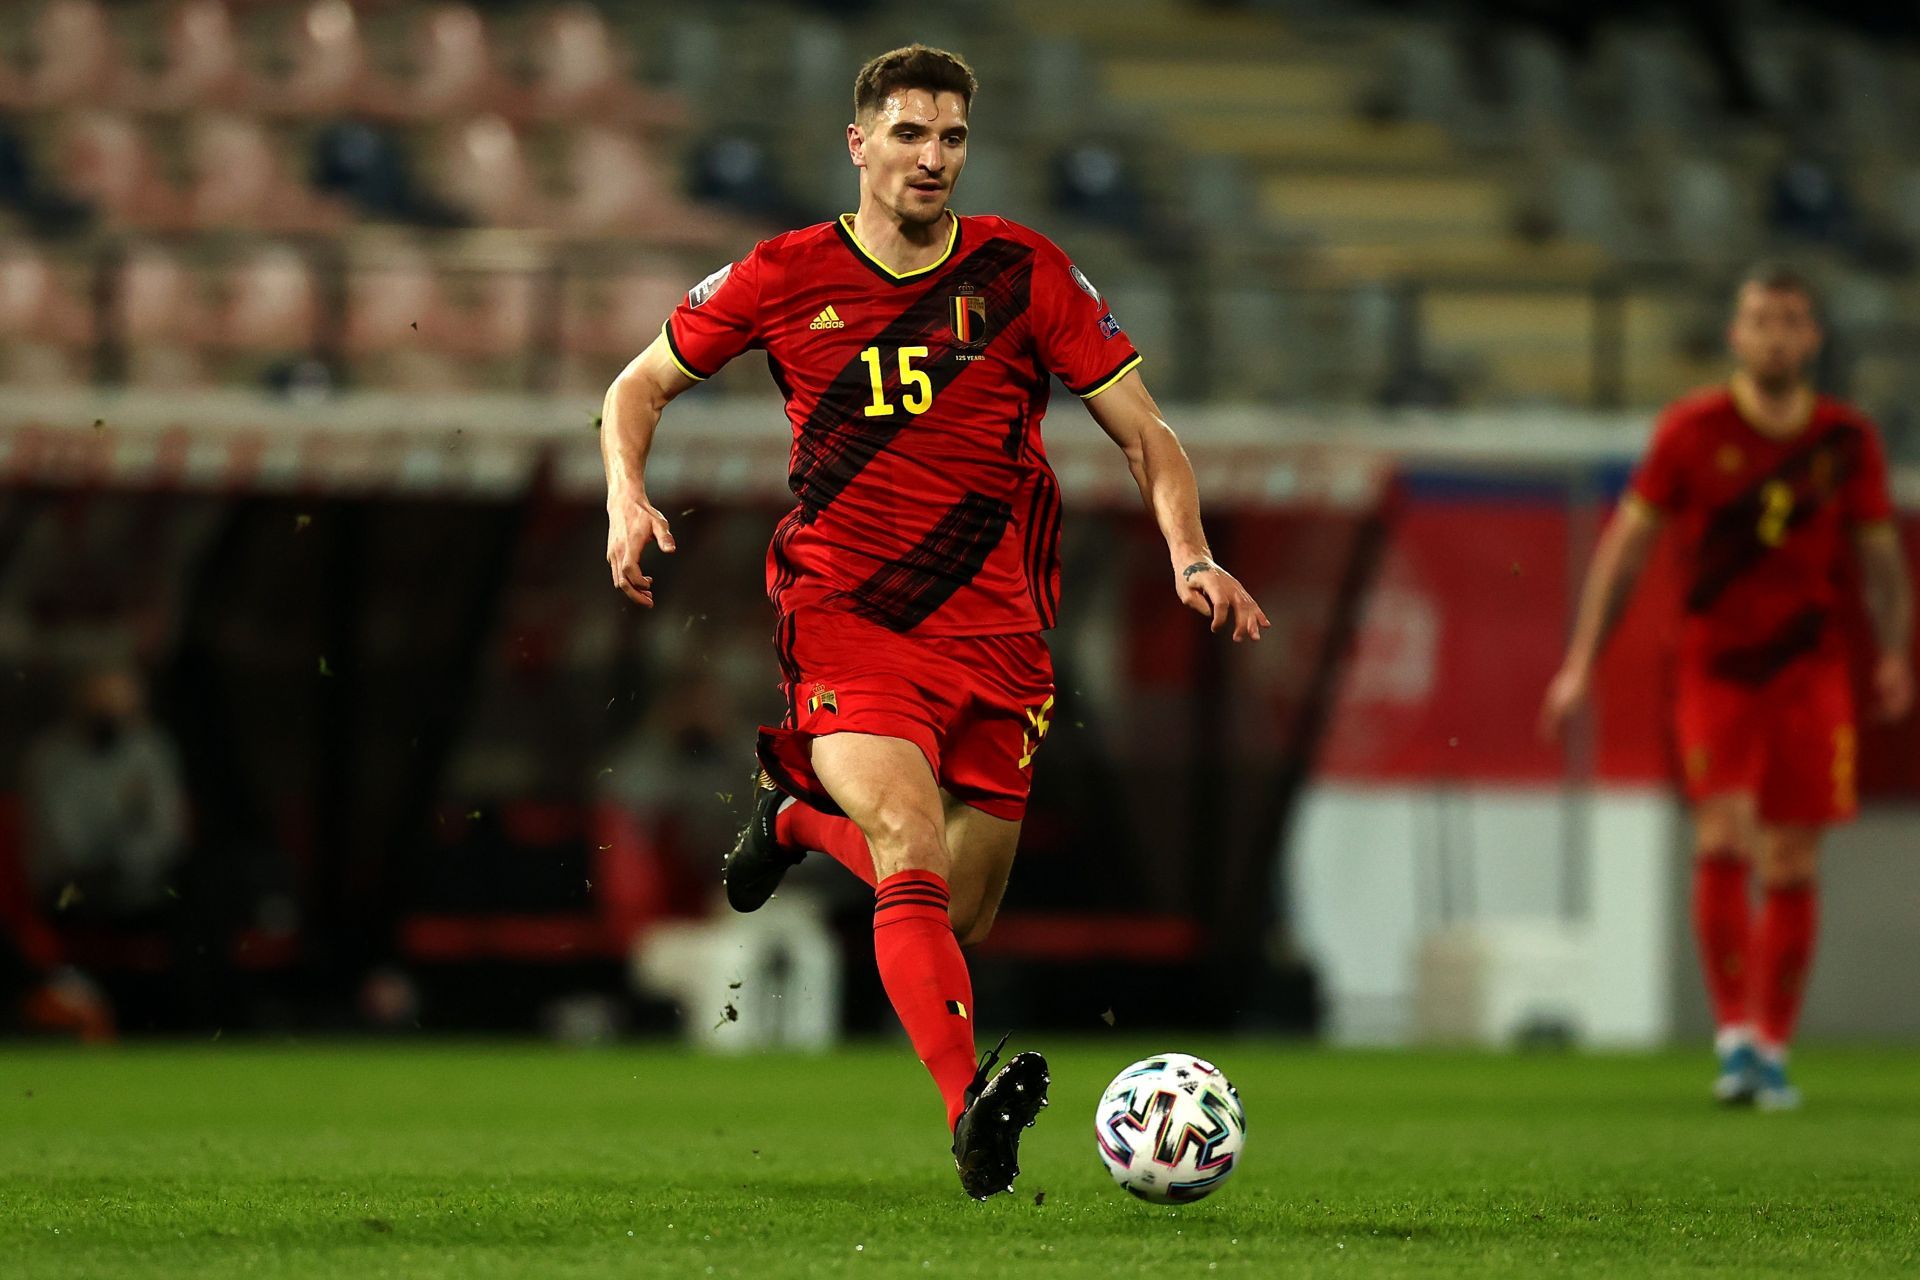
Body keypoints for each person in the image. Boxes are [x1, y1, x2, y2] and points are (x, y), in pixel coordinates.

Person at [600, 45, 1269, 1197]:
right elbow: (635, 386)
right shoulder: (782, 272)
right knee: (907, 842)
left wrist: (1192, 552)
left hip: (997, 632)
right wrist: (626, 491)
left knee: (957, 909)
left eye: (952, 137)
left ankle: (798, 822)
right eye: (910, 134)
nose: (933, 158)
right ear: (858, 143)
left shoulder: (1025, 272)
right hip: (848, 614)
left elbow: (1145, 431)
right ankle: (970, 1111)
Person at [1540, 264, 1913, 1110]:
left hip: (1811, 669)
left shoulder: (1846, 442)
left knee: (1790, 853)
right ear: (1736, 336)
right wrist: (1580, 662)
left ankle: (1773, 1046)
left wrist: (1894, 652)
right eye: (1760, 320)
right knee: (1723, 836)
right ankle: (1735, 1037)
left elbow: (1881, 557)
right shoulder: (1691, 430)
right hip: (1715, 665)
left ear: (1812, 337)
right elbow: (1626, 549)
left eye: (1790, 321)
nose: (1775, 336)